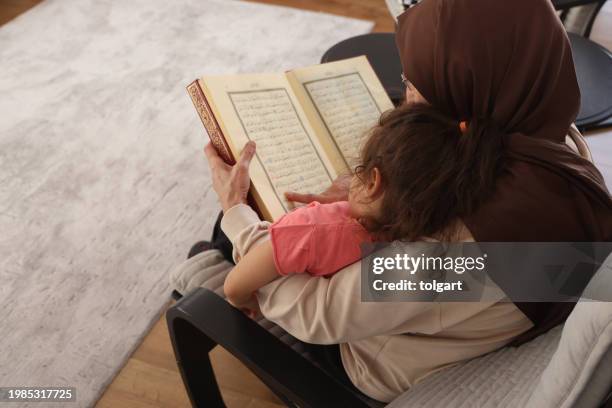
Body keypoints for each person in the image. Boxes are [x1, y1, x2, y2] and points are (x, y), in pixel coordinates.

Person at [171, 0, 612, 402]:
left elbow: (321, 315)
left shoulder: (465, 255)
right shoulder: (557, 145)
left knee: (236, 228)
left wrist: (237, 215)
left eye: (415, 83)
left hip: (370, 364)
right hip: (454, 311)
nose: (408, 95)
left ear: (466, 91)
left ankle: (214, 258)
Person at [223, 105, 471, 314]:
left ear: (373, 182)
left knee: (220, 241)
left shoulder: (311, 227)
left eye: (359, 168)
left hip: (292, 312)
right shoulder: (401, 237)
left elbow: (234, 287)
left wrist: (250, 305)